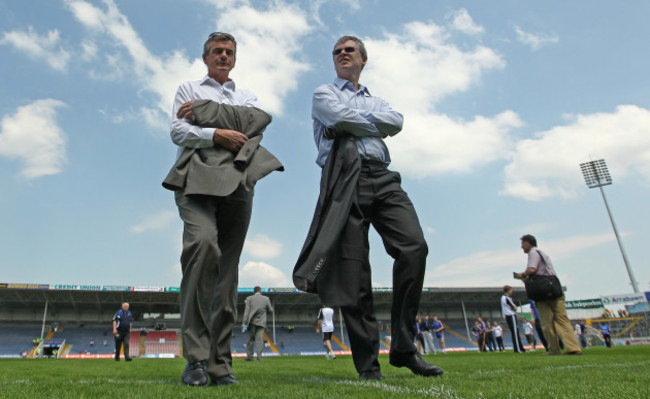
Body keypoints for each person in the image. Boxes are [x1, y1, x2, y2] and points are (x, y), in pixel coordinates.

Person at [293, 35, 443, 380]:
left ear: (363, 59)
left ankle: (405, 347)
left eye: (349, 50)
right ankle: (368, 365)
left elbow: (396, 122)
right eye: (337, 52)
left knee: (414, 248)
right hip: (344, 178)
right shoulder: (323, 94)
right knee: (354, 271)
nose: (342, 54)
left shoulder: (379, 100)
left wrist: (350, 122)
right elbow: (342, 116)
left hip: (383, 177)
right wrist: (370, 123)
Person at [163, 32, 283, 387]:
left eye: (229, 52)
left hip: (237, 182)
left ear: (235, 58)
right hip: (195, 179)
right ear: (205, 57)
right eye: (217, 51)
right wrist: (217, 134)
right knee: (203, 248)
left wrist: (206, 113)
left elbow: (257, 124)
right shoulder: (187, 88)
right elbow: (177, 130)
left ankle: (219, 363)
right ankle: (196, 360)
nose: (224, 56)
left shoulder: (246, 95)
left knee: (228, 273)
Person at [517, 234, 582, 355]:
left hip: (542, 291)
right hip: (555, 288)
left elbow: (532, 269)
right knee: (562, 320)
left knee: (547, 323)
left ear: (527, 243)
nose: (521, 247)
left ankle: (553, 349)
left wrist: (522, 274)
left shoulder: (532, 253)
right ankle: (573, 347)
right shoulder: (543, 253)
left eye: (522, 244)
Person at [242, 286, 273, 361]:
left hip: (251, 322)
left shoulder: (249, 298)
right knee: (260, 341)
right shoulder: (266, 299)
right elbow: (270, 310)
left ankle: (250, 357)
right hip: (261, 323)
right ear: (260, 291)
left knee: (251, 340)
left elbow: (247, 312)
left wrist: (244, 322)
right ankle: (259, 357)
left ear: (254, 291)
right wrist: (265, 312)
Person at [501, 285, 525, 353]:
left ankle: (520, 348)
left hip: (507, 316)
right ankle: (518, 349)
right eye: (511, 290)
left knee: (515, 332)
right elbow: (514, 307)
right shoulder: (507, 298)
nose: (512, 292)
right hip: (511, 315)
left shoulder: (503, 298)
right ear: (508, 291)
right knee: (515, 333)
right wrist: (515, 307)